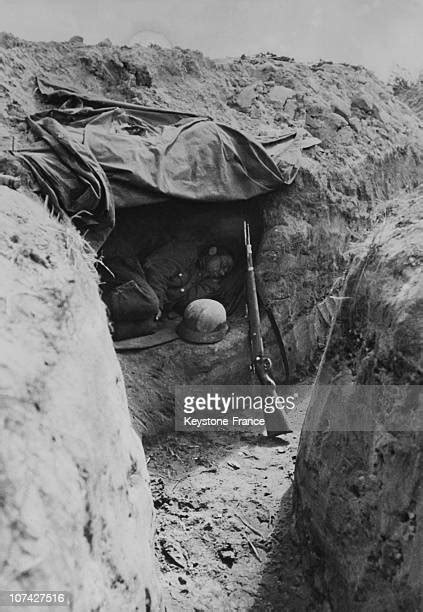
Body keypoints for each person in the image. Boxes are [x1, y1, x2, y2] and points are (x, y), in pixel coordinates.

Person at [101, 242, 234, 340]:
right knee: (151, 303)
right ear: (212, 251)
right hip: (130, 272)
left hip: (144, 297)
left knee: (151, 326)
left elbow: (183, 303)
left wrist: (209, 286)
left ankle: (105, 329)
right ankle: (100, 305)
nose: (221, 272)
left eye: (225, 272)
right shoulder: (187, 251)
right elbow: (155, 270)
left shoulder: (199, 277)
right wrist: (158, 304)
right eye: (222, 265)